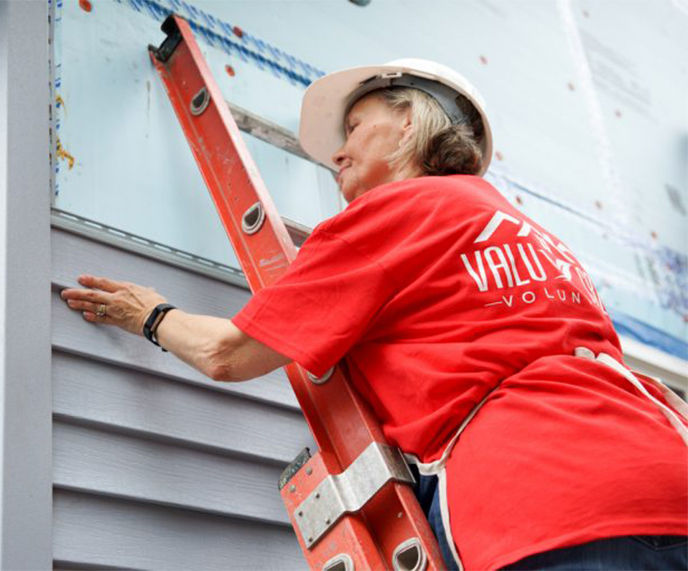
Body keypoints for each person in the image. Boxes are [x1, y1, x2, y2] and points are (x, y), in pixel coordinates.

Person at [61, 59, 688, 569]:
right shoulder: (531, 234)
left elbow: (229, 352)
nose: (337, 154)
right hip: (668, 480)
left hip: (545, 508)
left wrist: (149, 313)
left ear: (409, 119)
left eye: (356, 126)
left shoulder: (397, 212)